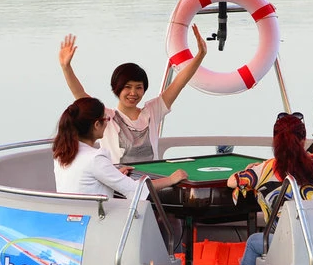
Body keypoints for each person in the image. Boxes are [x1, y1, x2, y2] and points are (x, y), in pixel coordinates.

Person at [58, 27, 208, 165]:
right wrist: (66, 67)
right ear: (116, 88)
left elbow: (178, 83)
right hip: (119, 184)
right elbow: (80, 95)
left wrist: (200, 55)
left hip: (151, 182)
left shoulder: (153, 111)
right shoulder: (106, 117)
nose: (133, 93)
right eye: (127, 87)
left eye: (139, 88)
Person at [227, 112, 313, 265]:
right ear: (303, 140)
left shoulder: (265, 170)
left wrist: (252, 170)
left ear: (275, 141)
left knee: (253, 241)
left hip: (286, 245)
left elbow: (232, 181)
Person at [53, 97, 187, 197]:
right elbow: (136, 190)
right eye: (106, 120)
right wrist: (171, 179)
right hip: (97, 224)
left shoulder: (61, 154)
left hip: (72, 223)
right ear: (96, 125)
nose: (107, 124)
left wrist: (115, 174)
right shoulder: (95, 159)